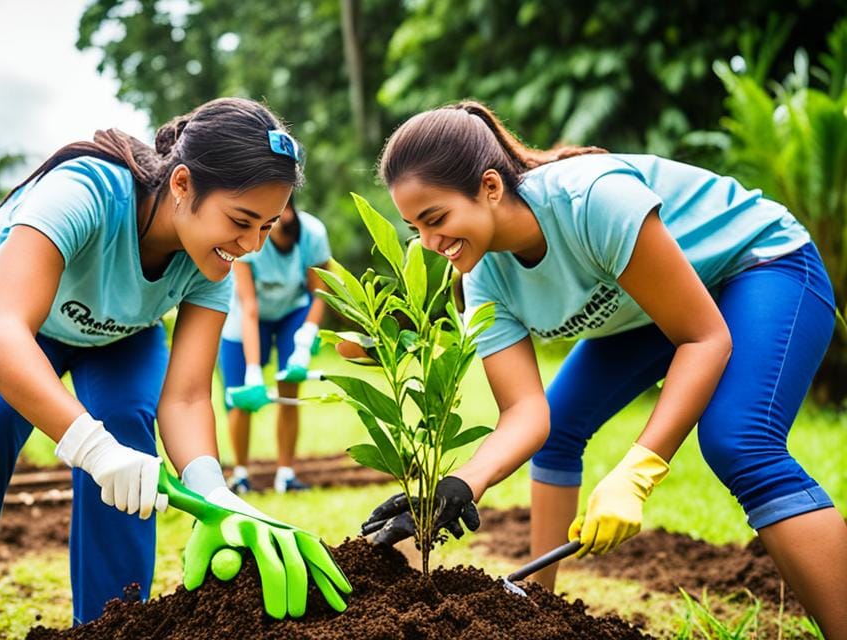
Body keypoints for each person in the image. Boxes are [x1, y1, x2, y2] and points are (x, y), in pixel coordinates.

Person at [361, 101, 847, 638]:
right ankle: (533, 612)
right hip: (645, 309)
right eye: (415, 228)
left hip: (760, 265)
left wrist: (638, 472)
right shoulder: (483, 280)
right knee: (559, 430)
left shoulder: (591, 199)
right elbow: (526, 412)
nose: (430, 243)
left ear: (491, 187)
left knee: (740, 441)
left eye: (436, 219)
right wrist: (459, 485)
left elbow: (704, 337)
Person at [0, 98, 347, 639]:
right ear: (182, 184)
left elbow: (188, 397)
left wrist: (213, 491)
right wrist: (92, 449)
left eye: (266, 227)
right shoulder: (87, 191)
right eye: (241, 221)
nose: (250, 245)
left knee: (128, 422)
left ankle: (108, 629)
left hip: (118, 331)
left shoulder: (214, 261)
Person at [219, 194, 331, 493]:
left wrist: (306, 338)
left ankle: (285, 474)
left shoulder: (314, 234)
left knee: (289, 389)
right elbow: (249, 307)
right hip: (246, 315)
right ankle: (241, 474)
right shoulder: (249, 238)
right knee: (240, 396)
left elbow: (319, 293)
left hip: (290, 312)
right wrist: (253, 369)